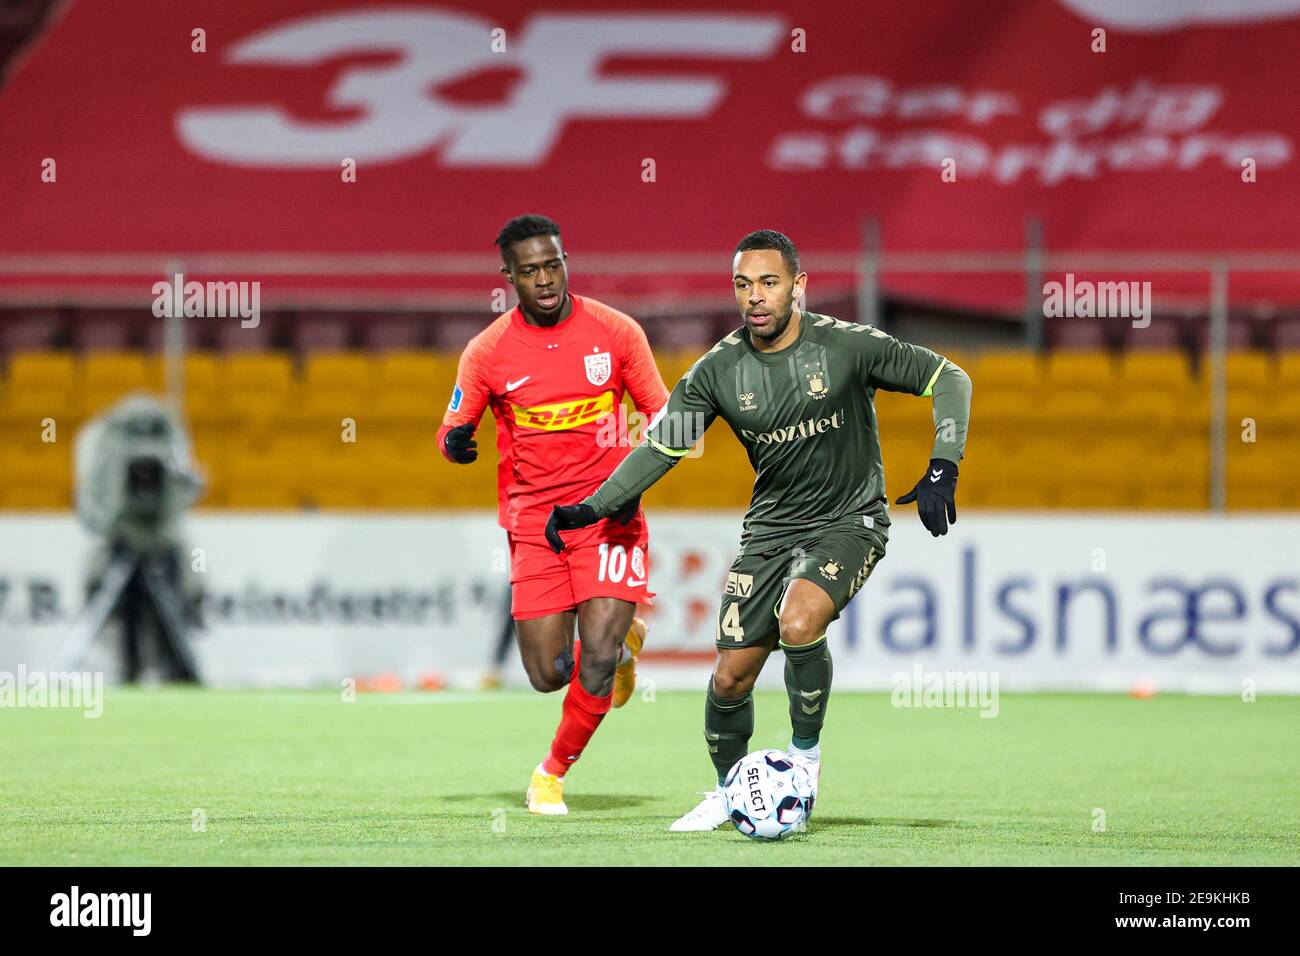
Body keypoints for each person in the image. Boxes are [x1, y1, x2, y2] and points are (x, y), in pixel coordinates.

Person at [546, 229, 972, 830]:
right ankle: (729, 790)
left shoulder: (846, 347)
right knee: (729, 676)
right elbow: (663, 445)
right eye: (743, 285)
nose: (755, 297)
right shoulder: (719, 369)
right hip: (769, 532)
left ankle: (803, 760)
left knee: (799, 622)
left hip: (849, 519)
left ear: (798, 286)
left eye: (769, 283)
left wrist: (942, 465)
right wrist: (593, 506)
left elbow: (950, 378)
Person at [438, 214, 668, 815]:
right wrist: (455, 443)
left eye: (554, 264)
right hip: (535, 525)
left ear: (566, 260)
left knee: (590, 656)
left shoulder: (616, 333)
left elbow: (666, 420)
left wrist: (636, 478)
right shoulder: (487, 351)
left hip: (606, 515)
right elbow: (451, 426)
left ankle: (551, 773)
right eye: (531, 269)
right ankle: (622, 650)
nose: (546, 278)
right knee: (547, 673)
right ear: (508, 276)